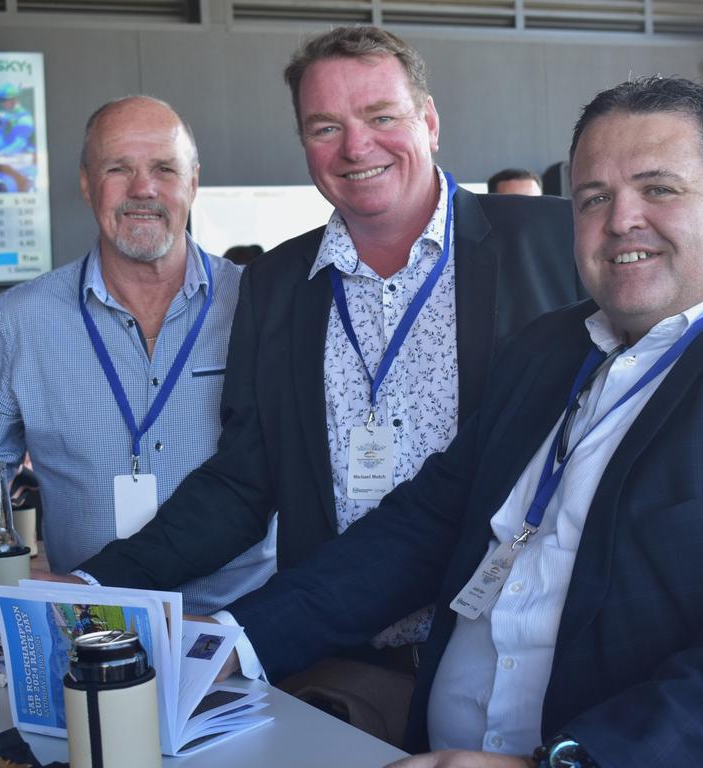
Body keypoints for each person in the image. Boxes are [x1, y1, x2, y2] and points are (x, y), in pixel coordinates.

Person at [202, 76, 703, 765]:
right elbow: (422, 526)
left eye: (658, 188)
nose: (621, 219)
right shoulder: (549, 348)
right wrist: (226, 642)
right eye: (594, 197)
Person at [75, 26, 581, 742]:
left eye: (381, 117)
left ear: (429, 123)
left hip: (518, 668)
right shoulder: (277, 285)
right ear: (305, 143)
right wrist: (98, 584)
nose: (356, 146)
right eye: (326, 127)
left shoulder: (554, 246)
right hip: (341, 667)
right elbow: (246, 483)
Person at [0, 96, 277, 615]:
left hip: (243, 629)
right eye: (119, 168)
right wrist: (5, 598)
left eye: (164, 168)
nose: (143, 188)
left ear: (193, 182)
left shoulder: (258, 307)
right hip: (89, 626)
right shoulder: (20, 320)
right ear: (87, 183)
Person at [0, 84, 36, 157]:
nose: (1, 103)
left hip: (24, 157)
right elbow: (0, 140)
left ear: (14, 100)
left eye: (4, 100)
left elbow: (19, 145)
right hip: (8, 156)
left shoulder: (25, 118)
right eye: (0, 100)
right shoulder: (5, 116)